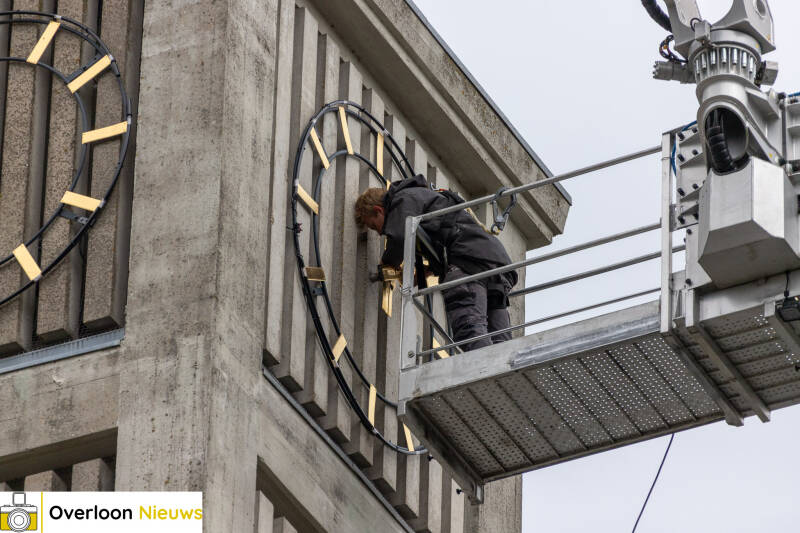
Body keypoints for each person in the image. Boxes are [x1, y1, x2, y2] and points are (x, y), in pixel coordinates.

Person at [354, 174, 517, 352]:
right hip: (497, 264)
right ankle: (502, 376)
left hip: (469, 263)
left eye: (373, 226)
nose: (379, 233)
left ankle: (486, 374)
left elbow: (400, 235)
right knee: (500, 338)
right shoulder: (423, 197)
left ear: (379, 210)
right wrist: (430, 270)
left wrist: (386, 263)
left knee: (470, 331)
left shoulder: (403, 199)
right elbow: (443, 235)